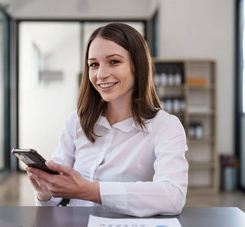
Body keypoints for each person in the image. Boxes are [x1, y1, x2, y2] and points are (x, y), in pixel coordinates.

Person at [25, 22, 188, 217]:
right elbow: (52, 203)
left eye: (114, 62)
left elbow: (172, 197)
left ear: (137, 65)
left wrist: (91, 190)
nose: (101, 74)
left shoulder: (165, 126)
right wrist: (44, 192)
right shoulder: (77, 121)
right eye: (94, 64)